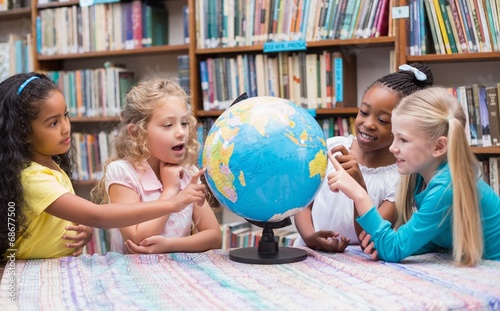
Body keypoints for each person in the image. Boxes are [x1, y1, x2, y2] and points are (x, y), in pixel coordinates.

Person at [0, 73, 207, 260]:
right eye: (53, 123)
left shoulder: (52, 167)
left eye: (66, 115)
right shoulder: (32, 177)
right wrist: (173, 202)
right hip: (28, 270)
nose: (66, 128)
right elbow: (97, 215)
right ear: (23, 134)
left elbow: (81, 219)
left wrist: (85, 230)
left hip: (57, 266)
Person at [328, 86, 500, 266]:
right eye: (394, 137)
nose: (392, 148)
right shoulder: (422, 175)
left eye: (403, 140)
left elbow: (393, 249)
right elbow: (434, 236)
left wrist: (359, 194)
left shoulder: (446, 187)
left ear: (438, 147)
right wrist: (384, 243)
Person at [294, 63, 434, 252]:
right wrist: (310, 237)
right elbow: (303, 203)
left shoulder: (403, 178)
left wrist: (358, 185)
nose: (368, 124)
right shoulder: (331, 147)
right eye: (364, 112)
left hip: (357, 262)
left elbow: (369, 237)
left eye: (383, 121)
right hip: (310, 250)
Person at [92, 78, 222, 254]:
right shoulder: (122, 172)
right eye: (168, 125)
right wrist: (169, 192)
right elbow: (137, 239)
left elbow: (214, 237)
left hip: (176, 273)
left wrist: (170, 246)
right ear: (137, 133)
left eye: (184, 123)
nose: (181, 132)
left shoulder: (189, 173)